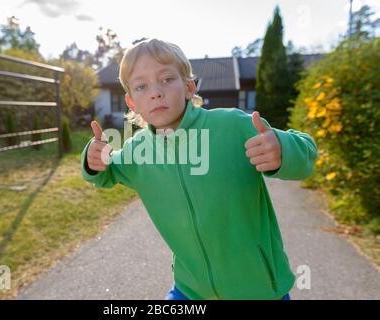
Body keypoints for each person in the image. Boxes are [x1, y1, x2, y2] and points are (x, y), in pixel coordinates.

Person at [81, 38, 317, 300]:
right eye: (141, 86)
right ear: (132, 102)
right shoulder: (138, 152)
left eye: (167, 79)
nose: (155, 92)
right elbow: (105, 173)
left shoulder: (232, 125)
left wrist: (282, 149)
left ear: (189, 88)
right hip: (189, 290)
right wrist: (94, 158)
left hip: (259, 289)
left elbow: (307, 153)